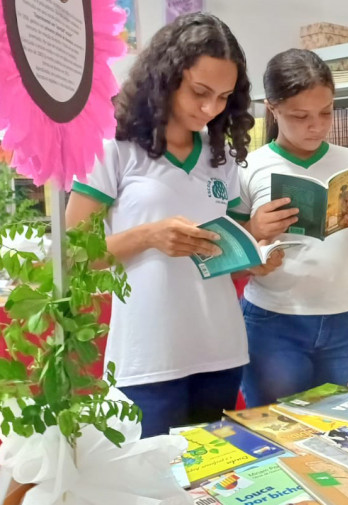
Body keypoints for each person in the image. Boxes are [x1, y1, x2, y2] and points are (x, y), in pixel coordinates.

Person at [66, 13, 282, 437]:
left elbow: (233, 249)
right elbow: (74, 255)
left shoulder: (218, 157)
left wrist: (256, 255)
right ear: (164, 79)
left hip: (220, 350)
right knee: (151, 484)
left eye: (222, 97)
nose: (209, 109)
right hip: (148, 357)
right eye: (199, 92)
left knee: (212, 485)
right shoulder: (114, 146)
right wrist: (148, 235)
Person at [230, 48, 348, 407]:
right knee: (275, 430)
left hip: (346, 323)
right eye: (299, 116)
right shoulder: (250, 167)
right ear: (273, 108)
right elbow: (228, 255)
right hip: (273, 323)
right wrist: (256, 231)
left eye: (325, 113)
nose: (317, 126)